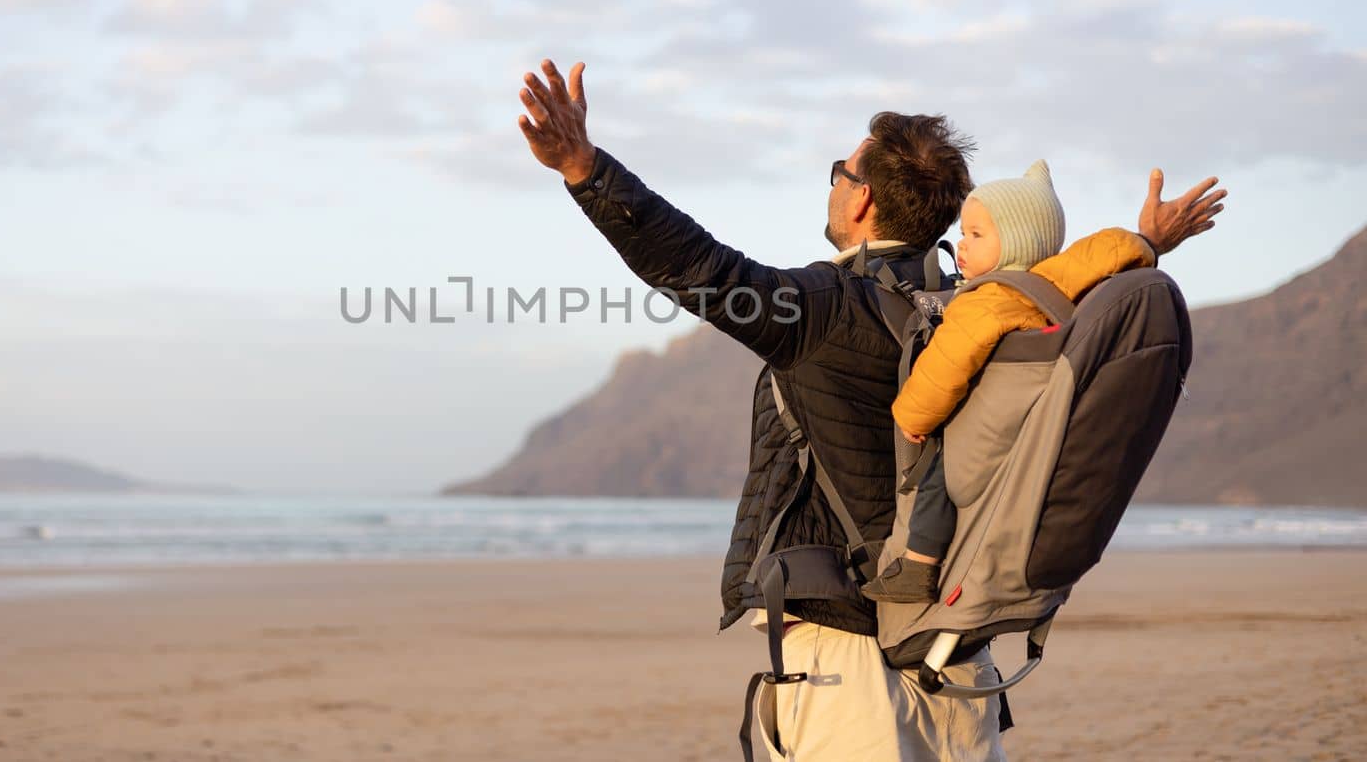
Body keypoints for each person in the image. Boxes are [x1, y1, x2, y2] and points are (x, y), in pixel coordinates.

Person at [515, 59, 1225, 761]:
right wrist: (1148, 244)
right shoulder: (985, 309)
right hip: (958, 654)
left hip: (844, 657)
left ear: (861, 201)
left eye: (840, 173)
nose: (834, 187)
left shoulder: (823, 308)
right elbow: (1066, 282)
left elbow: (701, 268)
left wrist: (584, 167)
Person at [860, 160, 1159, 604]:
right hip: (1035, 429)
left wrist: (911, 416)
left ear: (1020, 242)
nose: (961, 245)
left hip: (989, 428)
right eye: (963, 233)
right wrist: (1145, 243)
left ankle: (919, 565)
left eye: (977, 235)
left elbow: (945, 365)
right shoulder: (1058, 282)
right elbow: (1103, 250)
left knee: (938, 472)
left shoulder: (987, 302)